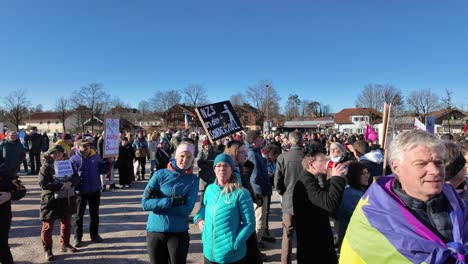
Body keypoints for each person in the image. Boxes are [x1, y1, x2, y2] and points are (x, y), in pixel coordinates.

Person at [340, 130, 468, 263]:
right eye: (421, 164)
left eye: (439, 162)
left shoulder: (459, 206)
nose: (435, 171)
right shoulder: (372, 216)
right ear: (396, 168)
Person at [142, 142, 199, 264]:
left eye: (189, 157)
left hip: (178, 232)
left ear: (193, 159)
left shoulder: (193, 180)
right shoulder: (159, 174)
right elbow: (145, 204)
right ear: (176, 156)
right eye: (182, 156)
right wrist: (171, 201)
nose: (185, 160)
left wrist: (157, 203)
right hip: (155, 231)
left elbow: (186, 210)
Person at [194, 153, 255, 264]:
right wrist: (198, 219)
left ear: (231, 169)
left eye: (226, 166)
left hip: (231, 256)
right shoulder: (209, 189)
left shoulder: (241, 193)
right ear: (214, 169)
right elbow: (204, 208)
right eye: (218, 165)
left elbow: (250, 223)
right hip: (209, 253)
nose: (222, 168)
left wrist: (234, 244)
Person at [293, 143, 347, 264]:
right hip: (313, 246)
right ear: (311, 164)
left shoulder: (311, 178)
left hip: (316, 241)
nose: (326, 162)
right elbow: (330, 204)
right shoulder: (306, 182)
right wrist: (337, 178)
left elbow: (324, 200)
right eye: (322, 160)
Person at [38, 145, 80, 261]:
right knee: (48, 226)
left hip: (66, 198)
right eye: (53, 153)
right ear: (50, 155)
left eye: (59, 152)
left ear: (63, 153)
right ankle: (47, 249)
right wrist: (60, 185)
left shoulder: (69, 164)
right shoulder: (46, 166)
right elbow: (42, 183)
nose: (56, 155)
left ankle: (65, 243)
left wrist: (70, 183)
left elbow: (76, 177)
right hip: (50, 199)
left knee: (66, 223)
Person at [224, 140, 264, 263]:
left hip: (245, 215)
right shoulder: (228, 172)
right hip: (235, 218)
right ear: (234, 153)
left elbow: (247, 187)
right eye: (242, 152)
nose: (245, 155)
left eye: (246, 152)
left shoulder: (243, 167)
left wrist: (255, 198)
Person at [70, 139, 108, 247]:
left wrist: (109, 162)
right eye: (84, 146)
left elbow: (103, 170)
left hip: (95, 189)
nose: (87, 148)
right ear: (78, 147)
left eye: (88, 146)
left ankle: (94, 235)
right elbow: (71, 176)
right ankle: (77, 237)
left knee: (94, 214)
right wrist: (76, 182)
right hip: (80, 191)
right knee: (78, 216)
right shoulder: (73, 159)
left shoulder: (96, 157)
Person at [274, 131, 304, 264]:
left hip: (288, 200)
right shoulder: (307, 156)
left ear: (290, 142)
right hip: (305, 200)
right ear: (302, 141)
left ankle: (285, 262)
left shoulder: (282, 157)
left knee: (287, 235)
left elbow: (277, 182)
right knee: (304, 236)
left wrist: (283, 193)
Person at [0, 131, 27, 264]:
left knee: (2, 246)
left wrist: (10, 195)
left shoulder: (6, 173)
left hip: (2, 215)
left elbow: (22, 190)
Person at [245, 130, 272, 245]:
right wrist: (259, 194)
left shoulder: (254, 151)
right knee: (259, 222)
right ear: (254, 140)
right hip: (259, 193)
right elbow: (254, 178)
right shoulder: (252, 153)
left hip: (260, 191)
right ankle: (254, 250)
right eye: (259, 138)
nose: (262, 140)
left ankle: (256, 244)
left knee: (258, 221)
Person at [336, 162, 369, 249]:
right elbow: (365, 219)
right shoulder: (352, 195)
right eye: (363, 174)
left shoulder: (359, 191)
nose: (367, 176)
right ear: (355, 176)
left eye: (367, 173)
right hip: (353, 243)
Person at [262, 143, 281, 241]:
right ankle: (264, 232)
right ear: (269, 154)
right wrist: (270, 174)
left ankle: (266, 230)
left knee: (267, 211)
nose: (275, 157)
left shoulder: (273, 162)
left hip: (269, 188)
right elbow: (265, 174)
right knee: (264, 212)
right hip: (265, 189)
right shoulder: (264, 162)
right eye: (274, 155)